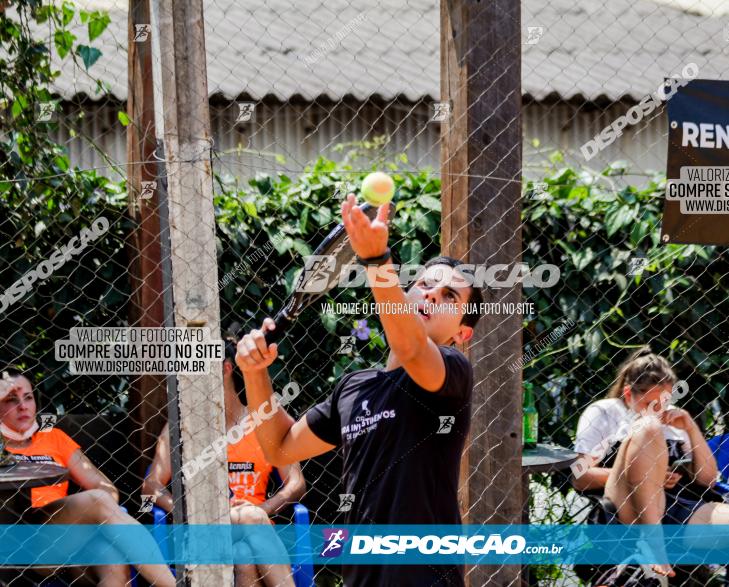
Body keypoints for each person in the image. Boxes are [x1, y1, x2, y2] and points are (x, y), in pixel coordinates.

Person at [235, 195, 483, 586]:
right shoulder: (354, 388)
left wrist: (375, 260)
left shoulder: (453, 372)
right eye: (425, 284)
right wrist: (255, 373)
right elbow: (279, 445)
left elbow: (412, 348)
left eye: (450, 296)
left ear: (461, 333)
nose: (432, 294)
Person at [570, 347, 729, 585]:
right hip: (625, 505)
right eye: (649, 402)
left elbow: (708, 480)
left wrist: (690, 427)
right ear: (628, 393)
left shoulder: (673, 420)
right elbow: (580, 476)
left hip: (673, 506)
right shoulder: (605, 412)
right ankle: (654, 546)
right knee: (648, 427)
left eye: (664, 401)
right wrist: (649, 475)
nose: (659, 409)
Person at [143, 340, 305, 587]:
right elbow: (151, 485)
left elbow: (297, 483)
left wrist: (262, 510)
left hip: (256, 531)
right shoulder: (182, 426)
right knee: (249, 526)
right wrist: (188, 510)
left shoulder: (264, 421)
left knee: (244, 555)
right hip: (202, 529)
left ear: (226, 368)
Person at [0, 367, 175, 587]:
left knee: (112, 559)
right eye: (10, 400)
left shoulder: (52, 437)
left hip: (65, 535)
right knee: (97, 501)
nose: (23, 406)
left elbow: (106, 487)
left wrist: (86, 521)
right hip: (19, 540)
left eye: (28, 397)